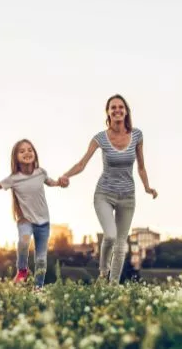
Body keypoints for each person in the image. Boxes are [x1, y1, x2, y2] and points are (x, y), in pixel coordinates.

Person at [58, 94, 158, 283]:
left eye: (121, 107)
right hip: (104, 194)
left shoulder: (137, 135)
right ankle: (103, 271)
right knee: (110, 235)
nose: (117, 110)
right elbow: (82, 163)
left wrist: (147, 187)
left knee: (121, 245)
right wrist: (66, 175)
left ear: (126, 111)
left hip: (127, 197)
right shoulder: (100, 138)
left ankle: (112, 287)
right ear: (108, 113)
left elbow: (141, 166)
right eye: (113, 107)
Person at [0, 139, 63, 289]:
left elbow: (52, 182)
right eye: (22, 151)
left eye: (30, 150)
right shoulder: (13, 179)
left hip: (43, 222)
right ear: (16, 158)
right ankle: (22, 269)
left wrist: (60, 182)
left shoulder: (41, 172)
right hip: (25, 219)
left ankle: (38, 288)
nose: (27, 153)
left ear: (35, 153)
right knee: (24, 240)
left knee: (41, 259)